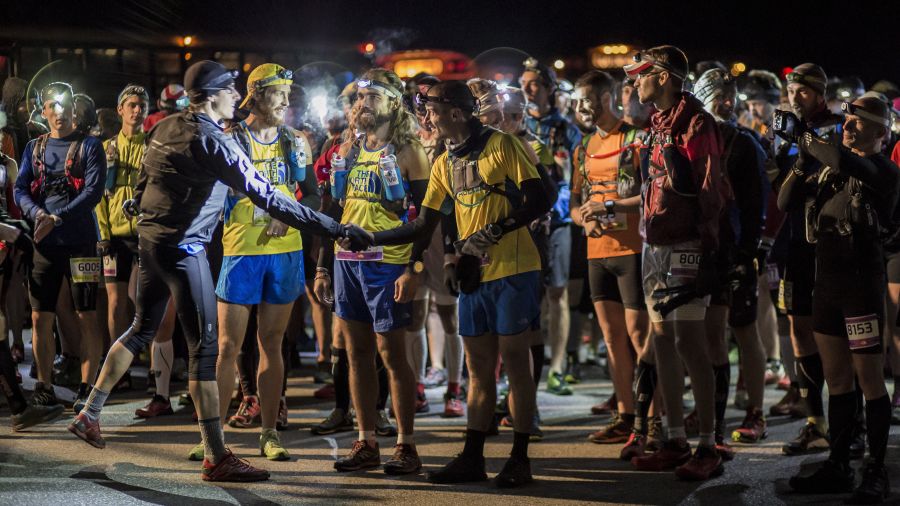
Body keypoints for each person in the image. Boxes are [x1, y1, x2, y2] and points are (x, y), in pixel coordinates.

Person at [66, 60, 372, 483]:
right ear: (213, 97)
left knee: (140, 328)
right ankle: (217, 456)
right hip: (186, 250)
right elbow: (269, 197)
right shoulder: (216, 141)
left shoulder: (165, 127)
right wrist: (337, 229)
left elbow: (141, 183)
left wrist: (143, 212)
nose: (237, 99)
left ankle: (90, 412)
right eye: (231, 91)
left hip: (150, 242)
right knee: (206, 353)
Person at [369, 80, 551, 487]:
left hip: (515, 268)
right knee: (478, 368)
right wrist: (383, 244)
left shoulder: (503, 145)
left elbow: (542, 197)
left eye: (432, 108)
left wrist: (497, 230)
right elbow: (426, 222)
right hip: (476, 273)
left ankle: (519, 458)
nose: (426, 116)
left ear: (455, 112)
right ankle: (472, 457)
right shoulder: (444, 162)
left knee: (516, 364)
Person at [780, 96, 898, 504]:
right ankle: (838, 465)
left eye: (859, 121)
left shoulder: (883, 170)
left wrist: (806, 138)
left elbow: (854, 165)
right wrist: (799, 159)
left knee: (869, 381)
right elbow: (784, 202)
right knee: (837, 381)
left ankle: (876, 470)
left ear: (882, 132)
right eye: (847, 119)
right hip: (826, 284)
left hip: (862, 286)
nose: (847, 126)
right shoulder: (831, 165)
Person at [618, 46, 729, 481]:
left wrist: (708, 252)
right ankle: (673, 437)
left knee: (689, 343)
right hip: (654, 242)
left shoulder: (697, 122)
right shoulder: (656, 121)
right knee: (661, 339)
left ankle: (707, 444)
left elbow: (710, 193)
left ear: (663, 76)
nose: (634, 82)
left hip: (686, 243)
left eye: (640, 75)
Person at [314, 68, 429, 475]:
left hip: (388, 265)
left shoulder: (410, 151)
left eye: (373, 98)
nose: (362, 106)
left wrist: (414, 268)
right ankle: (366, 440)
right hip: (347, 265)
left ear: (394, 103)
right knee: (356, 355)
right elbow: (333, 213)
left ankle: (406, 444)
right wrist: (323, 269)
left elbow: (426, 221)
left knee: (391, 355)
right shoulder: (347, 149)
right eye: (360, 99)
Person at [212, 63, 320, 461]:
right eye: (279, 93)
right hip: (240, 251)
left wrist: (286, 210)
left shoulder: (296, 141)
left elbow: (312, 196)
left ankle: (269, 432)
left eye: (289, 95)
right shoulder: (230, 139)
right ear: (255, 94)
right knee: (227, 347)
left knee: (272, 344)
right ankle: (214, 437)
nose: (286, 102)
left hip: (283, 252)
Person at [568, 70, 652, 448]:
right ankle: (625, 414)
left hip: (632, 250)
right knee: (612, 338)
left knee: (640, 336)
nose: (580, 108)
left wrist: (609, 204)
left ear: (606, 99)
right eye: (577, 101)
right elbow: (573, 202)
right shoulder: (582, 147)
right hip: (596, 252)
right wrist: (582, 218)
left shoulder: (635, 140)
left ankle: (654, 417)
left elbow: (652, 194)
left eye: (586, 100)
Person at [13, 81, 107, 412]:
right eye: (51, 105)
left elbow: (93, 192)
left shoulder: (90, 146)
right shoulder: (34, 148)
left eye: (64, 104)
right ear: (43, 110)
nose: (59, 111)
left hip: (81, 243)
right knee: (40, 317)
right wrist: (38, 213)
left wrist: (57, 217)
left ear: (73, 108)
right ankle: (44, 385)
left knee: (86, 315)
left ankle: (87, 388)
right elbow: (20, 189)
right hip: (45, 245)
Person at [692, 69, 768, 452]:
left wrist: (750, 252)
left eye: (729, 93)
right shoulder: (697, 137)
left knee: (743, 328)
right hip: (706, 250)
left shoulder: (744, 142)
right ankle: (709, 407)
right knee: (707, 333)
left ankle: (755, 411)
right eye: (717, 93)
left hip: (736, 249)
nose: (726, 100)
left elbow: (757, 204)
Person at [775, 64, 847, 456]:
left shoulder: (837, 125)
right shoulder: (782, 130)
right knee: (798, 326)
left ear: (820, 93)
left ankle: (847, 423)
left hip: (832, 239)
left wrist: (806, 143)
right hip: (795, 241)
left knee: (835, 333)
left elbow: (838, 166)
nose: (794, 97)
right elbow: (779, 189)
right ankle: (813, 420)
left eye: (803, 91)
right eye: (791, 90)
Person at [521, 58, 582, 398]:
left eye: (535, 84)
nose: (528, 89)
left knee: (557, 294)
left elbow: (572, 178)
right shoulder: (513, 126)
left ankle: (557, 367)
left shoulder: (565, 129)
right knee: (528, 296)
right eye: (524, 83)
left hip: (556, 221)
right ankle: (524, 370)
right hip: (522, 223)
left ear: (548, 89)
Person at [96, 84, 148, 375]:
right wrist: (103, 235)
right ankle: (120, 369)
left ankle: (150, 362)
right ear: (120, 110)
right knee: (116, 303)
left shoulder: (153, 146)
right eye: (132, 105)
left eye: (142, 105)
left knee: (143, 299)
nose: (137, 110)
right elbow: (98, 198)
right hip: (114, 236)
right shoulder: (107, 148)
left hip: (144, 234)